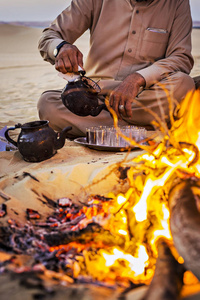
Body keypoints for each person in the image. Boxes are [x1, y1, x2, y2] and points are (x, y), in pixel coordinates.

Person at [38, 0, 195, 138]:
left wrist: (138, 78)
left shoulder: (177, 3)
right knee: (47, 104)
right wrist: (60, 48)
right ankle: (145, 127)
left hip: (143, 95)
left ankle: (97, 127)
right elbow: (50, 36)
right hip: (94, 98)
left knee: (183, 84)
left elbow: (181, 57)